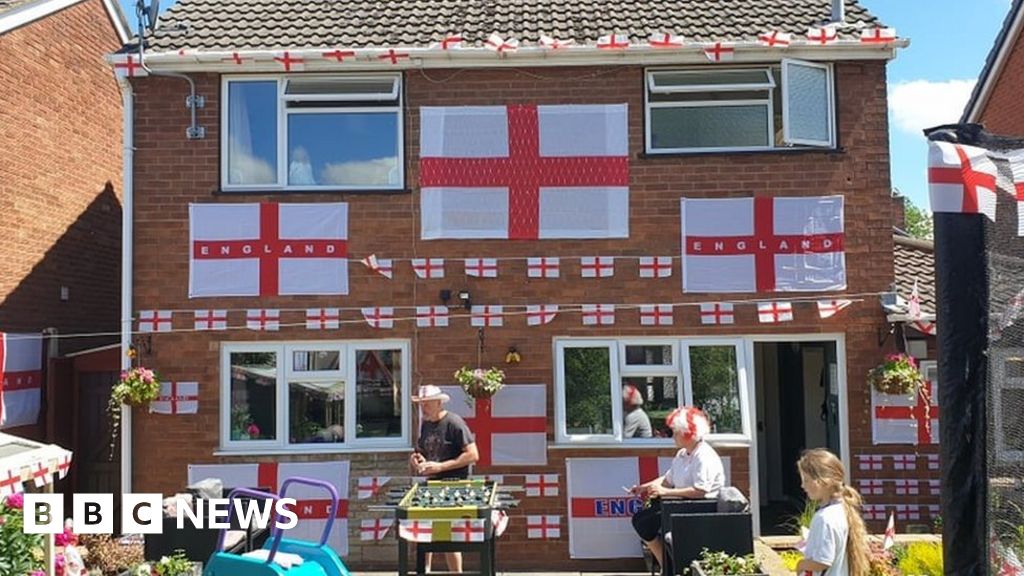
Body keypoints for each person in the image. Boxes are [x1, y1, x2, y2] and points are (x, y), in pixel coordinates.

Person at [629, 406, 725, 565]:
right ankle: (665, 564)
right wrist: (643, 487)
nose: (672, 435)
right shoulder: (682, 454)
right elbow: (667, 479)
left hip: (700, 507)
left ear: (688, 433)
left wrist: (665, 492)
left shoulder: (704, 456)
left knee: (645, 522)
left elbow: (701, 491)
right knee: (641, 520)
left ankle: (667, 566)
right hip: (681, 504)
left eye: (675, 432)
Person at [409, 385, 480, 573]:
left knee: (448, 535)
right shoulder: (425, 424)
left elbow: (472, 455)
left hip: (454, 485)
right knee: (424, 532)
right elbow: (423, 451)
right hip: (432, 484)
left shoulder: (454, 423)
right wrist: (417, 460)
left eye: (427, 403)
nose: (424, 407)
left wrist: (441, 466)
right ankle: (425, 570)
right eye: (421, 404)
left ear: (439, 403)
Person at [795, 448, 870, 576]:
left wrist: (801, 564)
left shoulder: (825, 518)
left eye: (806, 480)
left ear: (824, 481)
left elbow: (822, 562)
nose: (803, 485)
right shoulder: (842, 510)